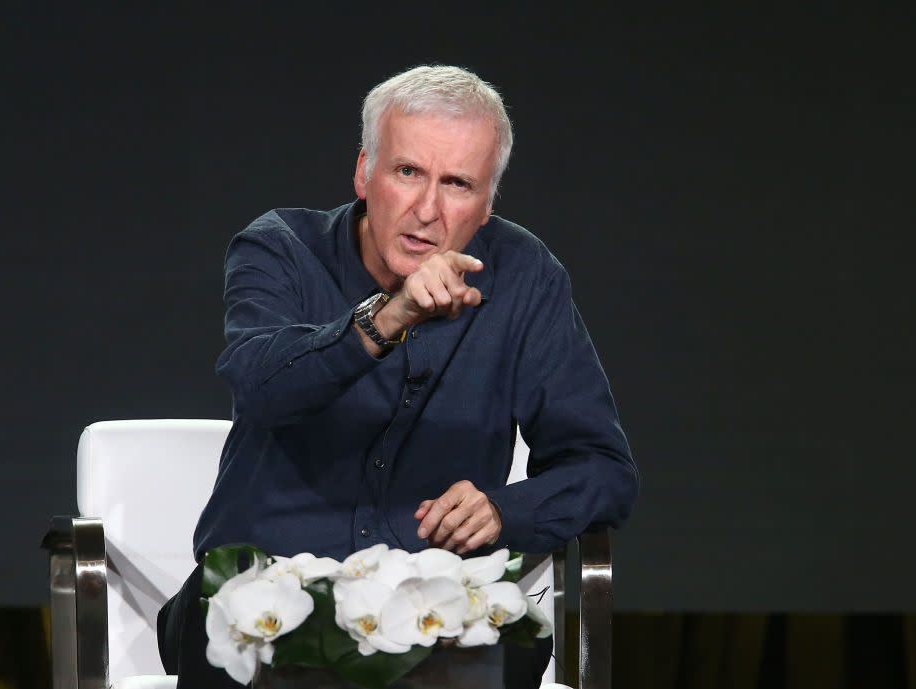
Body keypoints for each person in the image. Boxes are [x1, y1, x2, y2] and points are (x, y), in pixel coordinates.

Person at [158, 65, 638, 688]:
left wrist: (503, 508)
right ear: (364, 173)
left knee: (503, 648)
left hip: (432, 606)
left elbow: (603, 468)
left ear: (488, 202)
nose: (428, 210)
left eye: (458, 183)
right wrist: (390, 317)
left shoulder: (525, 278)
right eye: (407, 172)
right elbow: (261, 386)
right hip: (262, 591)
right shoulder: (281, 248)